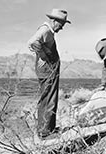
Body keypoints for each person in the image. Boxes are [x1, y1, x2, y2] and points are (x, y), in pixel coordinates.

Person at [28, 9, 71, 139]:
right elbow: (32, 42)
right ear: (54, 20)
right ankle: (45, 132)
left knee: (48, 98)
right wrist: (44, 56)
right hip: (47, 71)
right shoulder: (45, 30)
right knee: (49, 99)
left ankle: (47, 129)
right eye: (61, 24)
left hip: (48, 70)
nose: (61, 28)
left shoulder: (48, 32)